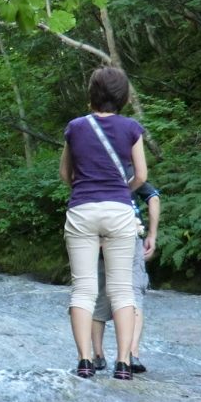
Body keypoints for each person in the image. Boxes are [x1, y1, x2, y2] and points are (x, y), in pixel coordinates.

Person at [59, 67, 147, 380]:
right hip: (119, 211)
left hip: (82, 209)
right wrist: (122, 191)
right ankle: (123, 363)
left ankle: (85, 360)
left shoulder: (75, 127)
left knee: (83, 290)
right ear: (122, 96)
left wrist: (85, 190)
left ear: (92, 94)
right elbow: (142, 176)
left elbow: (65, 174)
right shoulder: (131, 128)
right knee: (123, 291)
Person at [91, 182, 161, 374]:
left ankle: (97, 356)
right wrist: (152, 235)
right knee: (133, 294)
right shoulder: (131, 174)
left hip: (100, 239)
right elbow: (153, 198)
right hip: (130, 236)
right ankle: (130, 354)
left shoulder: (90, 173)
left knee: (99, 296)